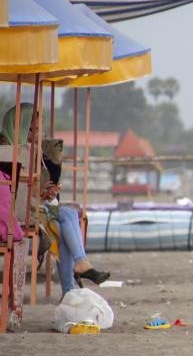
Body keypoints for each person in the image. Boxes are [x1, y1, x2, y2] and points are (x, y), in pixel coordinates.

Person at [0, 103, 110, 297]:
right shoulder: (6, 150)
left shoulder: (32, 151)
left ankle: (72, 284)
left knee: (64, 226)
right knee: (68, 216)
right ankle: (76, 274)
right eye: (33, 128)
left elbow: (28, 188)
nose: (38, 132)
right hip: (12, 211)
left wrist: (44, 191)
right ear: (21, 125)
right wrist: (38, 192)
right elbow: (14, 187)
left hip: (31, 206)